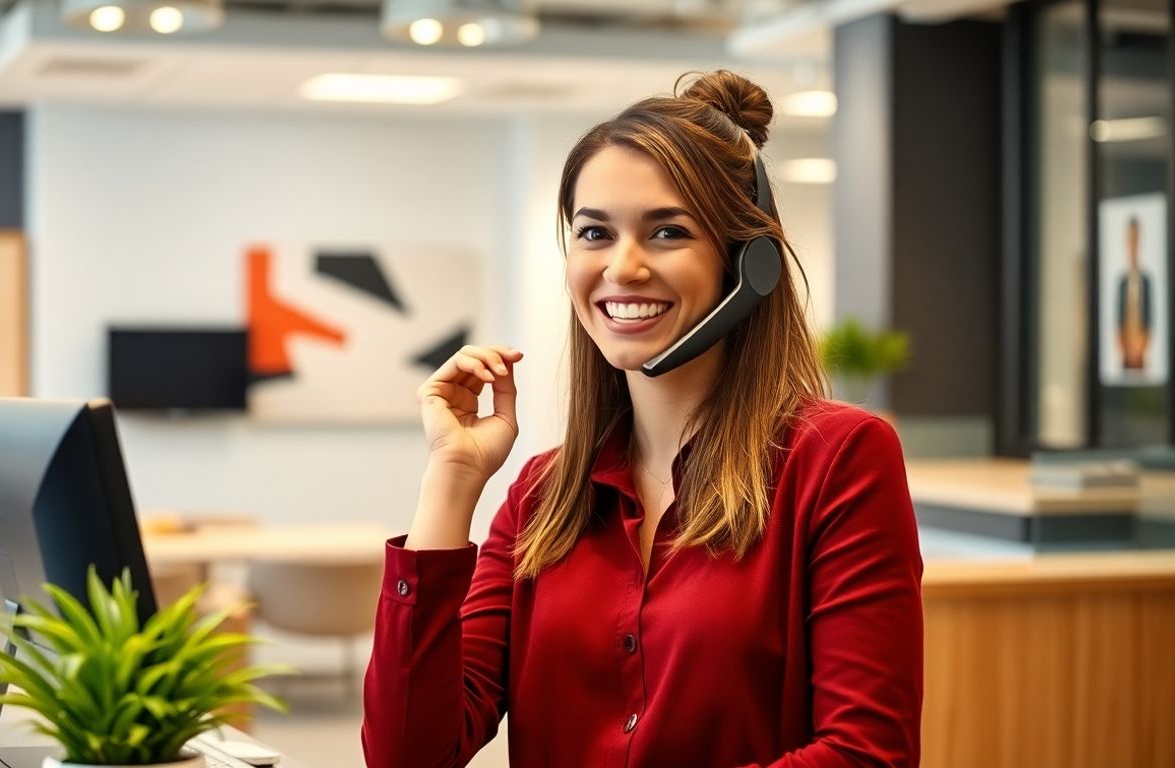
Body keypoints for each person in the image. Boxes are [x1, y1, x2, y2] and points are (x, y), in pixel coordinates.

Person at [361, 70, 923, 767]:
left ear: (749, 263)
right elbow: (408, 755)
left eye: (667, 231)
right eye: (594, 232)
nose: (622, 267)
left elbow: (866, 753)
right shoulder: (542, 497)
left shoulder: (837, 460)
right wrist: (451, 481)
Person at [1117, 216, 1152, 371]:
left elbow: (1149, 317)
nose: (1133, 246)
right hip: (1124, 349)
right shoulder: (1122, 282)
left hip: (1142, 349)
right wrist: (1124, 346)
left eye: (1135, 240)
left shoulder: (1146, 281)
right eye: (1130, 241)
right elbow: (1118, 320)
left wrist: (1141, 345)